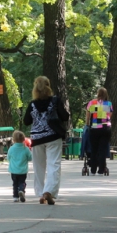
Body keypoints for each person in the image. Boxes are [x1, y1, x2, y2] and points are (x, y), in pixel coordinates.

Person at [23, 76, 70, 205]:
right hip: (53, 137)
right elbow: (65, 117)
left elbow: (26, 121)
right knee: (54, 164)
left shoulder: (32, 104)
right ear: (49, 86)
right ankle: (49, 191)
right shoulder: (55, 101)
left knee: (38, 167)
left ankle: (40, 193)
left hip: (37, 138)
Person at [85, 87, 113, 175]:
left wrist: (87, 124)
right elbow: (109, 116)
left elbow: (88, 115)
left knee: (94, 149)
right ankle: (101, 169)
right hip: (106, 128)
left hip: (95, 128)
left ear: (98, 93)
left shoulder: (92, 103)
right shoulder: (108, 104)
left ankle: (93, 169)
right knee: (103, 149)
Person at [7, 130, 32, 202]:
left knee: (15, 184)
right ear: (24, 139)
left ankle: (15, 197)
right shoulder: (26, 149)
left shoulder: (11, 148)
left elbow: (8, 158)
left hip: (14, 170)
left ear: (13, 139)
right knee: (22, 182)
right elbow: (30, 158)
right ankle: (21, 190)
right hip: (23, 170)